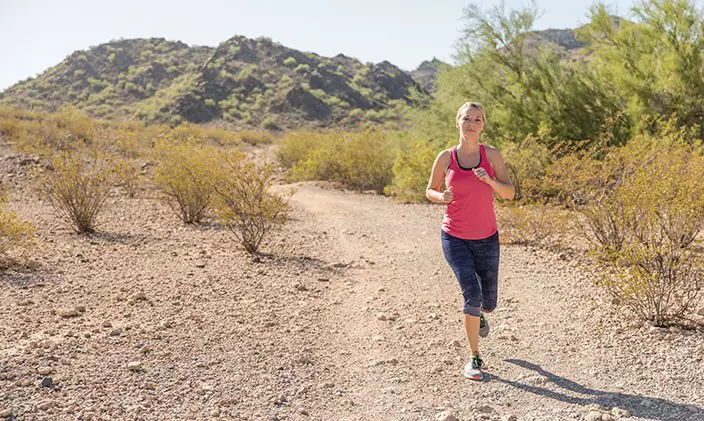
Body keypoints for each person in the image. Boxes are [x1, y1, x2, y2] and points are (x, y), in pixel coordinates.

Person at [426, 101, 515, 380]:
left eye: (477, 119)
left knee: (488, 302)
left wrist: (489, 180)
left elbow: (509, 193)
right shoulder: (445, 158)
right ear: (457, 122)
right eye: (467, 118)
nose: (472, 124)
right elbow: (430, 189)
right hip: (454, 236)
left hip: (487, 238)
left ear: (483, 125)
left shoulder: (492, 155)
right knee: (471, 294)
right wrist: (441, 197)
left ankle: (480, 314)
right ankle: (474, 357)